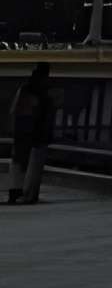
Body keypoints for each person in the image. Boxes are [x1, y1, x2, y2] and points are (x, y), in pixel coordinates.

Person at [8, 64, 55, 205]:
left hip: (23, 130)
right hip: (35, 133)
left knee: (19, 163)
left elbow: (15, 111)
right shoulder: (44, 94)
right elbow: (45, 115)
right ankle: (27, 194)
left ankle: (16, 192)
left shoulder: (26, 90)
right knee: (32, 165)